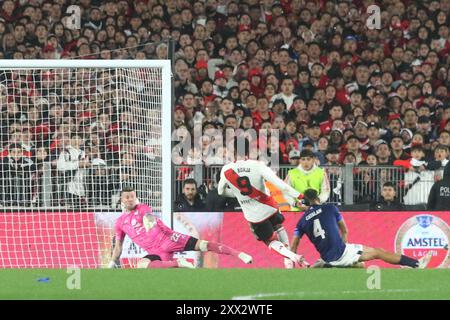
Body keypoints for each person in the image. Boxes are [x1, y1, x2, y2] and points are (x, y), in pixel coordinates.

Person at [108, 186, 252, 269]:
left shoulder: (142, 207)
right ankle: (178, 263)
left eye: (132, 196)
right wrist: (111, 263)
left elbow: (148, 216)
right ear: (121, 200)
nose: (130, 199)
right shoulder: (120, 222)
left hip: (169, 238)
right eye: (127, 197)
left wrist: (149, 223)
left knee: (204, 245)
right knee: (141, 265)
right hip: (155, 250)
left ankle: (239, 254)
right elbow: (118, 247)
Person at [218, 138, 307, 268]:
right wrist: (299, 196)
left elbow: (221, 191)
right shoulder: (257, 165)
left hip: (254, 216)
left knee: (270, 241)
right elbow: (280, 185)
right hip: (269, 206)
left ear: (234, 151)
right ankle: (288, 262)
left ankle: (292, 257)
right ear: (249, 150)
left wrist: (238, 195)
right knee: (278, 226)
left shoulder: (227, 169)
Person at [291, 189, 432, 268]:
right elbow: (345, 230)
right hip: (341, 253)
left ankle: (327, 265)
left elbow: (294, 245)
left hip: (328, 255)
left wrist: (292, 261)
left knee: (358, 265)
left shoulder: (301, 222)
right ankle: (416, 264)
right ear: (317, 198)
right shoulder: (329, 208)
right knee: (378, 252)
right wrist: (343, 245)